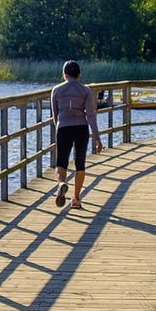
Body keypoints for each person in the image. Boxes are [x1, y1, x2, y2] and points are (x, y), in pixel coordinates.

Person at [50, 60, 102, 210]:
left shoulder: (56, 90)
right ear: (79, 75)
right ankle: (76, 199)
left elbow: (55, 115)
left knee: (61, 163)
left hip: (64, 127)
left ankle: (62, 183)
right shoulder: (86, 91)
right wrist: (97, 138)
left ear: (64, 74)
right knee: (80, 164)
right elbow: (90, 115)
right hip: (81, 128)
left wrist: (59, 128)